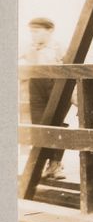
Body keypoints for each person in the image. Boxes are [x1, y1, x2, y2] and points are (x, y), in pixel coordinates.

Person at [19, 16, 63, 180]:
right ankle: (41, 166)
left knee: (56, 124)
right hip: (35, 88)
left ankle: (55, 165)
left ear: (49, 31)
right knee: (39, 125)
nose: (33, 35)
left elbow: (72, 66)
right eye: (31, 32)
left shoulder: (58, 47)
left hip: (54, 86)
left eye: (37, 32)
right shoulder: (28, 47)